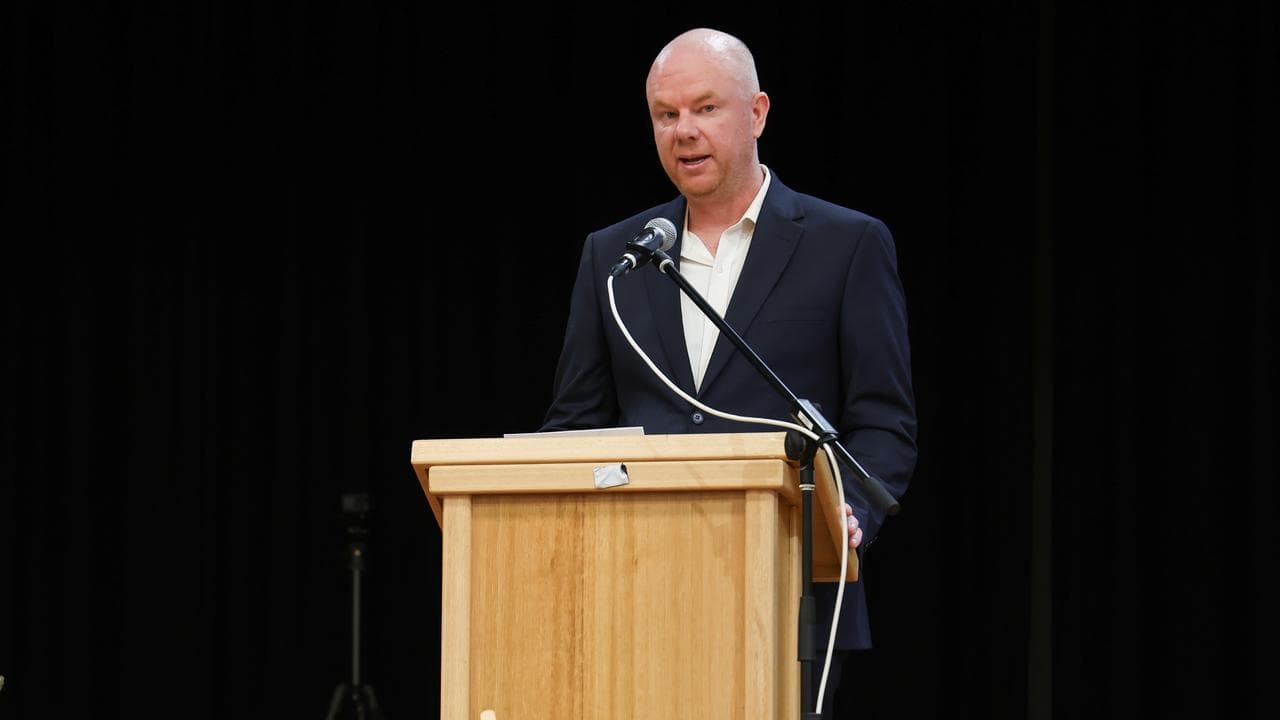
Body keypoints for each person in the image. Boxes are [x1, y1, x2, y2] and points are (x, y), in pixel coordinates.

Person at [541, 27, 917, 715]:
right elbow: (574, 425)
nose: (683, 131)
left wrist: (848, 514)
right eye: (665, 114)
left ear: (758, 112)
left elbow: (883, 421)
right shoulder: (615, 257)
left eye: (705, 108)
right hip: (635, 587)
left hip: (789, 587)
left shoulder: (847, 245)